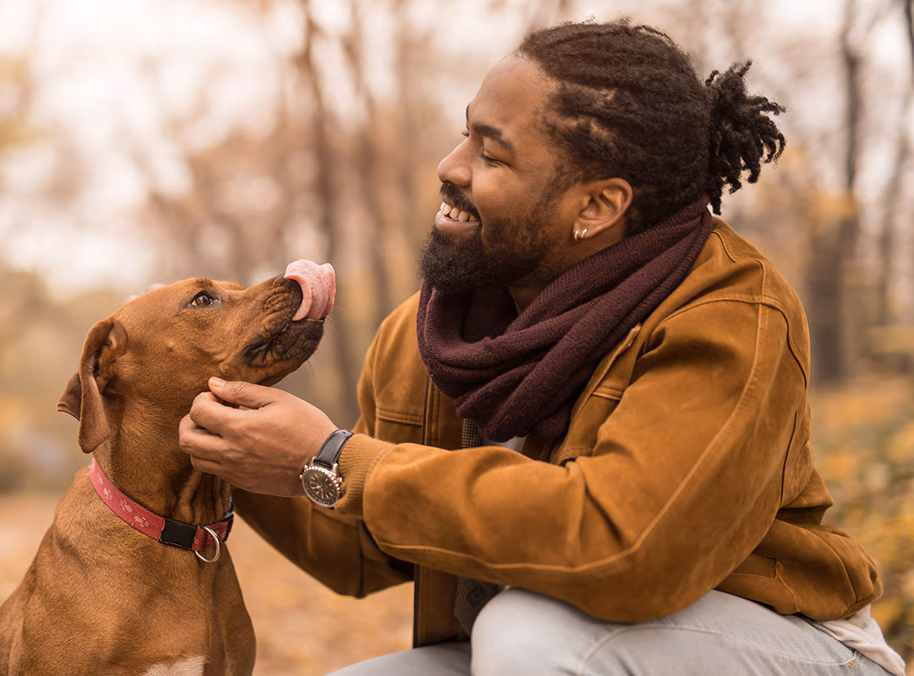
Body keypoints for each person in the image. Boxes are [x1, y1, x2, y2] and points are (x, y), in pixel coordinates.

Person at [178, 18, 907, 675]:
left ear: (596, 206)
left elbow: (626, 546)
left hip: (790, 648)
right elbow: (365, 551)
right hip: (529, 650)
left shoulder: (728, 315)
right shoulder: (432, 335)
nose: (451, 166)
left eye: (492, 154)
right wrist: (234, 445)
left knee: (530, 635)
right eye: (466, 132)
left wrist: (336, 458)